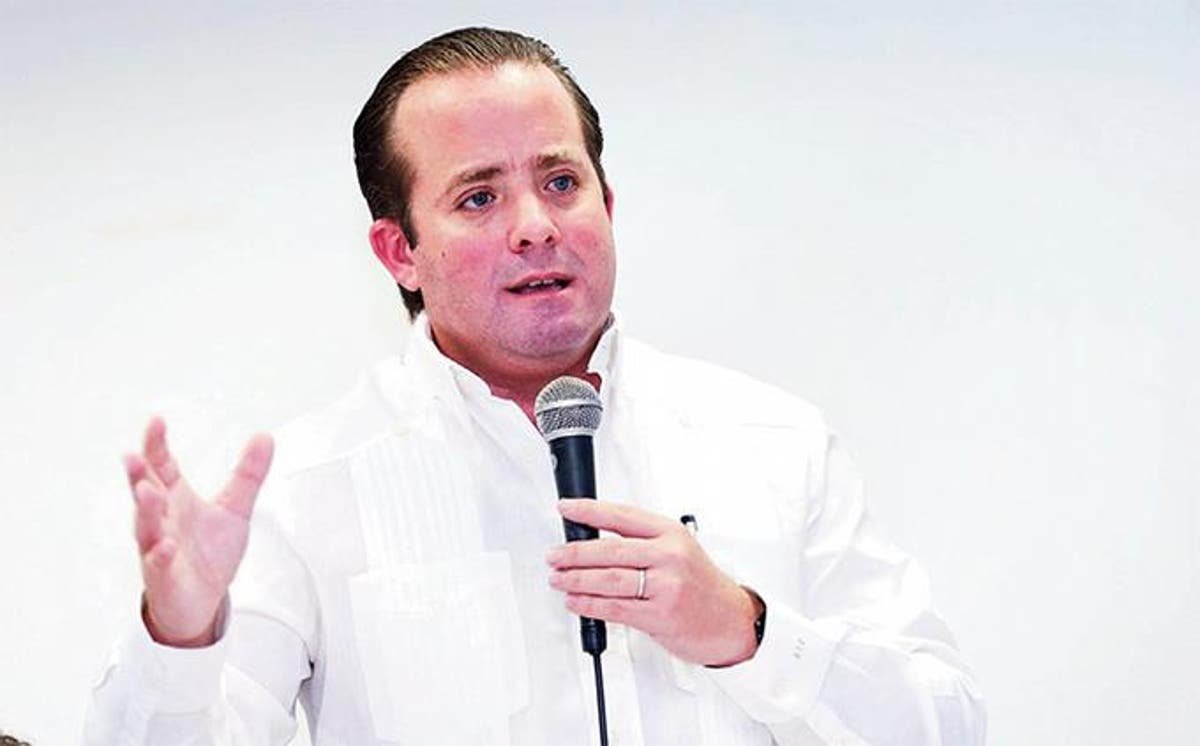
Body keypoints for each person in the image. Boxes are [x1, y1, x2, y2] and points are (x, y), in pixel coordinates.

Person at [86, 27, 985, 745]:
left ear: (608, 204)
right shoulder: (304, 488)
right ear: (400, 253)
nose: (535, 226)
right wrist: (181, 637)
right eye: (478, 197)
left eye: (561, 182)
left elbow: (948, 724)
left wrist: (748, 633)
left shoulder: (774, 443)